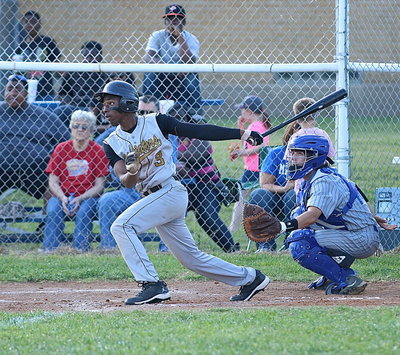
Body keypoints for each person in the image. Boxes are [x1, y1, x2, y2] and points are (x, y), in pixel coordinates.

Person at [94, 80, 269, 305]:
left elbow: (198, 130)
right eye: (104, 105)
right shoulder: (112, 142)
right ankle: (250, 278)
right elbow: (126, 182)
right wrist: (132, 172)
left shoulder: (157, 122)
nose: (105, 109)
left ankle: (152, 285)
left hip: (170, 191)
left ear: (128, 104)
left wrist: (242, 134)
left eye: (110, 103)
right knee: (192, 259)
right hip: (153, 198)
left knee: (121, 226)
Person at [278, 135, 390, 295]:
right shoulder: (312, 179)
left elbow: (312, 216)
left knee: (301, 242)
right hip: (352, 232)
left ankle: (347, 278)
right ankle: (331, 275)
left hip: (361, 238)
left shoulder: (324, 181)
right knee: (298, 215)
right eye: (293, 152)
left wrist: (282, 227)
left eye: (299, 153)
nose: (293, 157)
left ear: (314, 157)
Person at [97, 95, 169, 252]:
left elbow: (172, 161)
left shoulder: (161, 130)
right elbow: (95, 149)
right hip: (130, 191)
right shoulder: (115, 133)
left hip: (158, 189)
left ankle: (167, 251)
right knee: (107, 200)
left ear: (157, 112)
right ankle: (109, 250)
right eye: (141, 112)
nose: (144, 117)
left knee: (172, 196)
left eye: (149, 112)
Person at [170, 102, 240, 253]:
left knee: (206, 215)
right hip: (180, 186)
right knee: (169, 215)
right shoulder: (168, 137)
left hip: (206, 186)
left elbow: (197, 154)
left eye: (182, 118)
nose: (178, 121)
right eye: (173, 118)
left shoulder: (197, 133)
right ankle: (174, 251)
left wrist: (169, 158)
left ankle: (232, 249)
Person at [42, 110, 109, 252]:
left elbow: (99, 185)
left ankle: (81, 249)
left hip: (88, 196)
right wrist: (62, 197)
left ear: (91, 131)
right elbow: (53, 180)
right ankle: (50, 249)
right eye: (75, 126)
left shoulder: (98, 150)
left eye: (84, 127)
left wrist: (80, 198)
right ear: (71, 128)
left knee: (84, 212)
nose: (79, 130)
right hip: (63, 194)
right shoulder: (61, 148)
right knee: (53, 209)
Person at [0, 74, 69, 200]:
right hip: (2, 169)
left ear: (26, 93)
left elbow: (66, 142)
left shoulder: (45, 116)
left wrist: (53, 157)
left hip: (36, 171)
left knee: (54, 174)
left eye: (18, 90)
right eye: (9, 89)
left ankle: (49, 217)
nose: (13, 94)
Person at [142, 4, 203, 117]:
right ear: (165, 22)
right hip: (161, 75)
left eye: (177, 19)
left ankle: (195, 112)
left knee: (192, 75)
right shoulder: (157, 35)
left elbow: (188, 61)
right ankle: (148, 109)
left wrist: (180, 35)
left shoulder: (191, 38)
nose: (173, 22)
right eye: (169, 19)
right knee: (149, 72)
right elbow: (148, 57)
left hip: (181, 77)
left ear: (184, 22)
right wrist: (166, 68)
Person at [249, 126, 297, 252]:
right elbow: (264, 184)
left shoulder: (311, 156)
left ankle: (291, 244)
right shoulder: (277, 153)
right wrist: (284, 188)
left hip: (298, 199)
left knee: (293, 195)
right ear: (289, 136)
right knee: (258, 194)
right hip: (274, 198)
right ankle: (265, 245)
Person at [228, 95, 271, 233]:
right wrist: (240, 126)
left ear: (249, 111)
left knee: (240, 199)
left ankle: (233, 229)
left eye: (242, 110)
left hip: (253, 169)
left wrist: (242, 153)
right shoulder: (260, 124)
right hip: (256, 168)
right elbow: (246, 144)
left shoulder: (256, 126)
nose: (241, 113)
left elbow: (262, 145)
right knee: (246, 197)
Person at [56, 41, 109, 127]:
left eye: (92, 56)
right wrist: (68, 103)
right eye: (85, 56)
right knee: (61, 110)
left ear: (100, 57)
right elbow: (63, 93)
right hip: (76, 107)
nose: (88, 59)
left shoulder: (105, 75)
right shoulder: (73, 73)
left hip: (97, 108)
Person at [13, 11, 61, 101]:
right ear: (23, 25)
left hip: (45, 89)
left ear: (39, 24)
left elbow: (56, 62)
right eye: (26, 22)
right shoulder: (21, 45)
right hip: (25, 90)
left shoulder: (47, 42)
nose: (30, 25)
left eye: (33, 22)